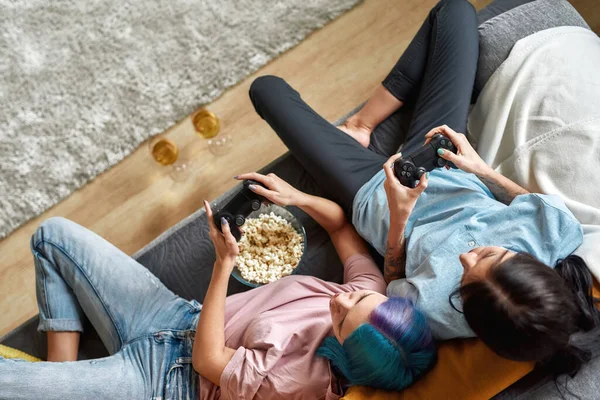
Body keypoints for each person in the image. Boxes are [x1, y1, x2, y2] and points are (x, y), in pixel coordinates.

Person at [246, 0, 600, 378]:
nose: (466, 259)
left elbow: (393, 278)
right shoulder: (556, 234)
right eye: (488, 256)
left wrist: (398, 217)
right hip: (446, 158)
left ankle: (364, 142)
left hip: (378, 196)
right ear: (529, 263)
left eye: (464, 282)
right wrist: (480, 169)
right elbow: (524, 200)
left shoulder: (437, 317)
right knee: (455, 10)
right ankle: (360, 124)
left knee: (266, 90)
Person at [0, 177, 437, 399]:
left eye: (341, 320)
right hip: (173, 317)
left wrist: (224, 263)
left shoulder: (299, 383)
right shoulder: (370, 294)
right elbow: (340, 225)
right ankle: (60, 379)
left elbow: (209, 360)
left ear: (343, 351)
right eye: (358, 296)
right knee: (53, 235)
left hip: (166, 382)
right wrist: (297, 198)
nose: (340, 299)